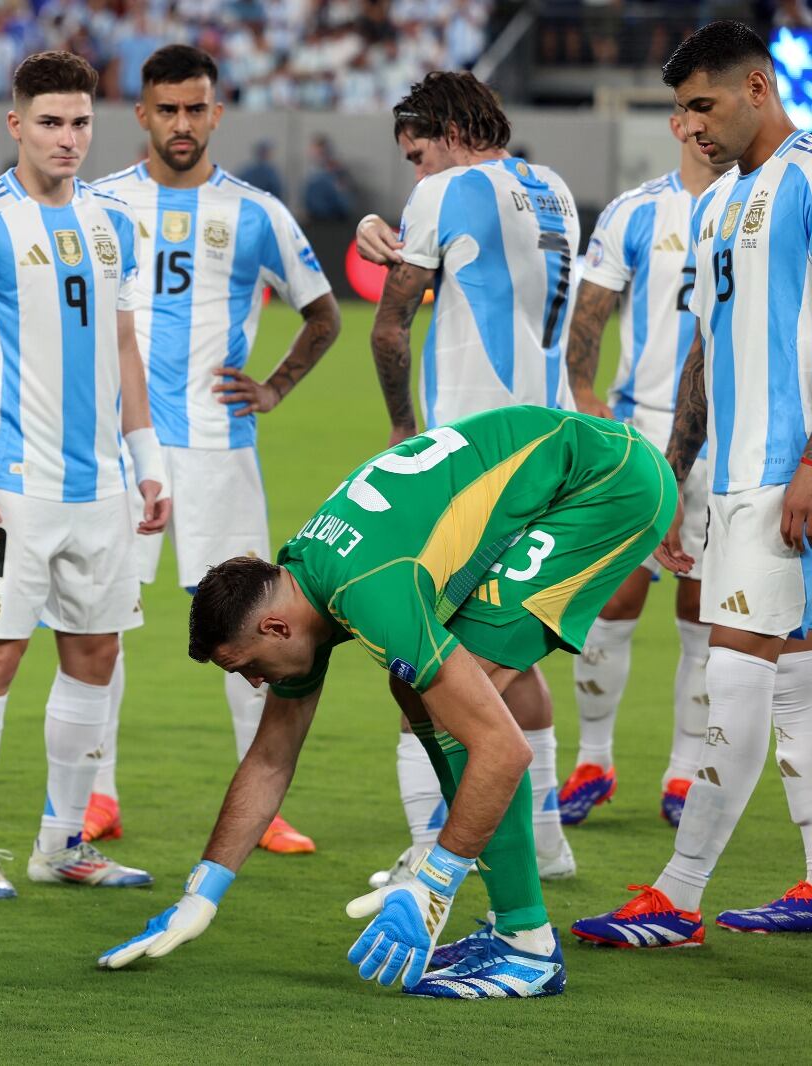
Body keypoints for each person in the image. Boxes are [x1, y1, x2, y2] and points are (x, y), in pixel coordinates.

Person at [100, 405, 677, 998]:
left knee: (469, 718)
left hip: (608, 485)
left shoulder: (368, 591)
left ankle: (528, 946)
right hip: (567, 475)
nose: (253, 683)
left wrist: (436, 879)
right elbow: (270, 758)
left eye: (246, 667)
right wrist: (202, 893)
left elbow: (504, 753)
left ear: (274, 629)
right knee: (421, 691)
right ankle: (515, 929)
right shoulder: (304, 579)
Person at [574, 20, 812, 947]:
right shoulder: (715, 207)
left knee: (736, 664)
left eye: (702, 104)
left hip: (786, 475)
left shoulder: (806, 175)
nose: (690, 126)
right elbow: (704, 358)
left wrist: (808, 461)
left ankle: (676, 897)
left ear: (758, 88)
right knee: (792, 684)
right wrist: (671, 481)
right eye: (678, 110)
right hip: (739, 478)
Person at [92, 44, 339, 854]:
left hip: (218, 448)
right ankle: (96, 795)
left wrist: (273, 387)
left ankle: (262, 801)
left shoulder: (257, 213)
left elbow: (323, 314)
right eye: (167, 109)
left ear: (217, 112)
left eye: (196, 108)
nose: (183, 124)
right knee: (101, 620)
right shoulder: (100, 204)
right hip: (120, 450)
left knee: (256, 620)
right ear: (143, 114)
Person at [0, 51, 168, 901]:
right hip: (13, 483)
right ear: (16, 125)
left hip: (99, 487)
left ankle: (62, 842)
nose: (67, 139)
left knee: (95, 656)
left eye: (79, 123)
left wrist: (146, 463)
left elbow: (121, 346)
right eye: (50, 123)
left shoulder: (112, 224)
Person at [355, 71, 579, 885]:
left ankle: (432, 844)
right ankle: (549, 840)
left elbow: (389, 327)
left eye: (418, 155)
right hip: (555, 450)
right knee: (511, 656)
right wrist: (400, 233)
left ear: (449, 129)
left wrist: (402, 428)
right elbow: (492, 277)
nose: (417, 173)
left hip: (477, 462)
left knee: (421, 664)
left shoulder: (445, 191)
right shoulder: (551, 187)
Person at [555, 109, 732, 828]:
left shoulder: (759, 202)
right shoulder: (636, 211)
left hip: (728, 443)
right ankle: (593, 759)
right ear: (677, 123)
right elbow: (590, 314)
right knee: (612, 599)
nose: (707, 126)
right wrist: (586, 394)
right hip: (640, 434)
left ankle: (684, 774)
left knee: (703, 611)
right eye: (697, 111)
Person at [303, 134, 355, 221]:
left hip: (331, 221)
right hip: (315, 218)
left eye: (315, 149)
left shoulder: (335, 171)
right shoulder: (314, 171)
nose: (311, 152)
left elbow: (342, 200)